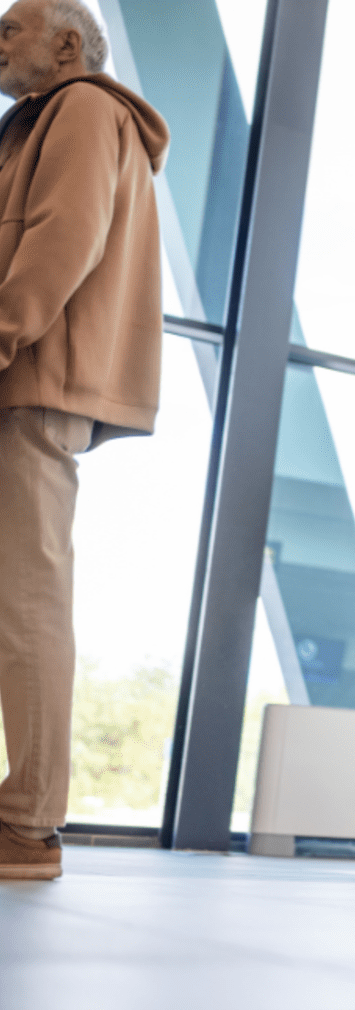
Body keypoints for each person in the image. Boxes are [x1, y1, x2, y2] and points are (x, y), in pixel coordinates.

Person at [0, 0, 169, 881]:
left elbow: (62, 240)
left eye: (9, 28)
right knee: (18, 597)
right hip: (23, 378)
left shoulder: (84, 108)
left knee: (27, 598)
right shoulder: (36, 123)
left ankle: (28, 824)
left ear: (68, 45)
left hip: (27, 380)